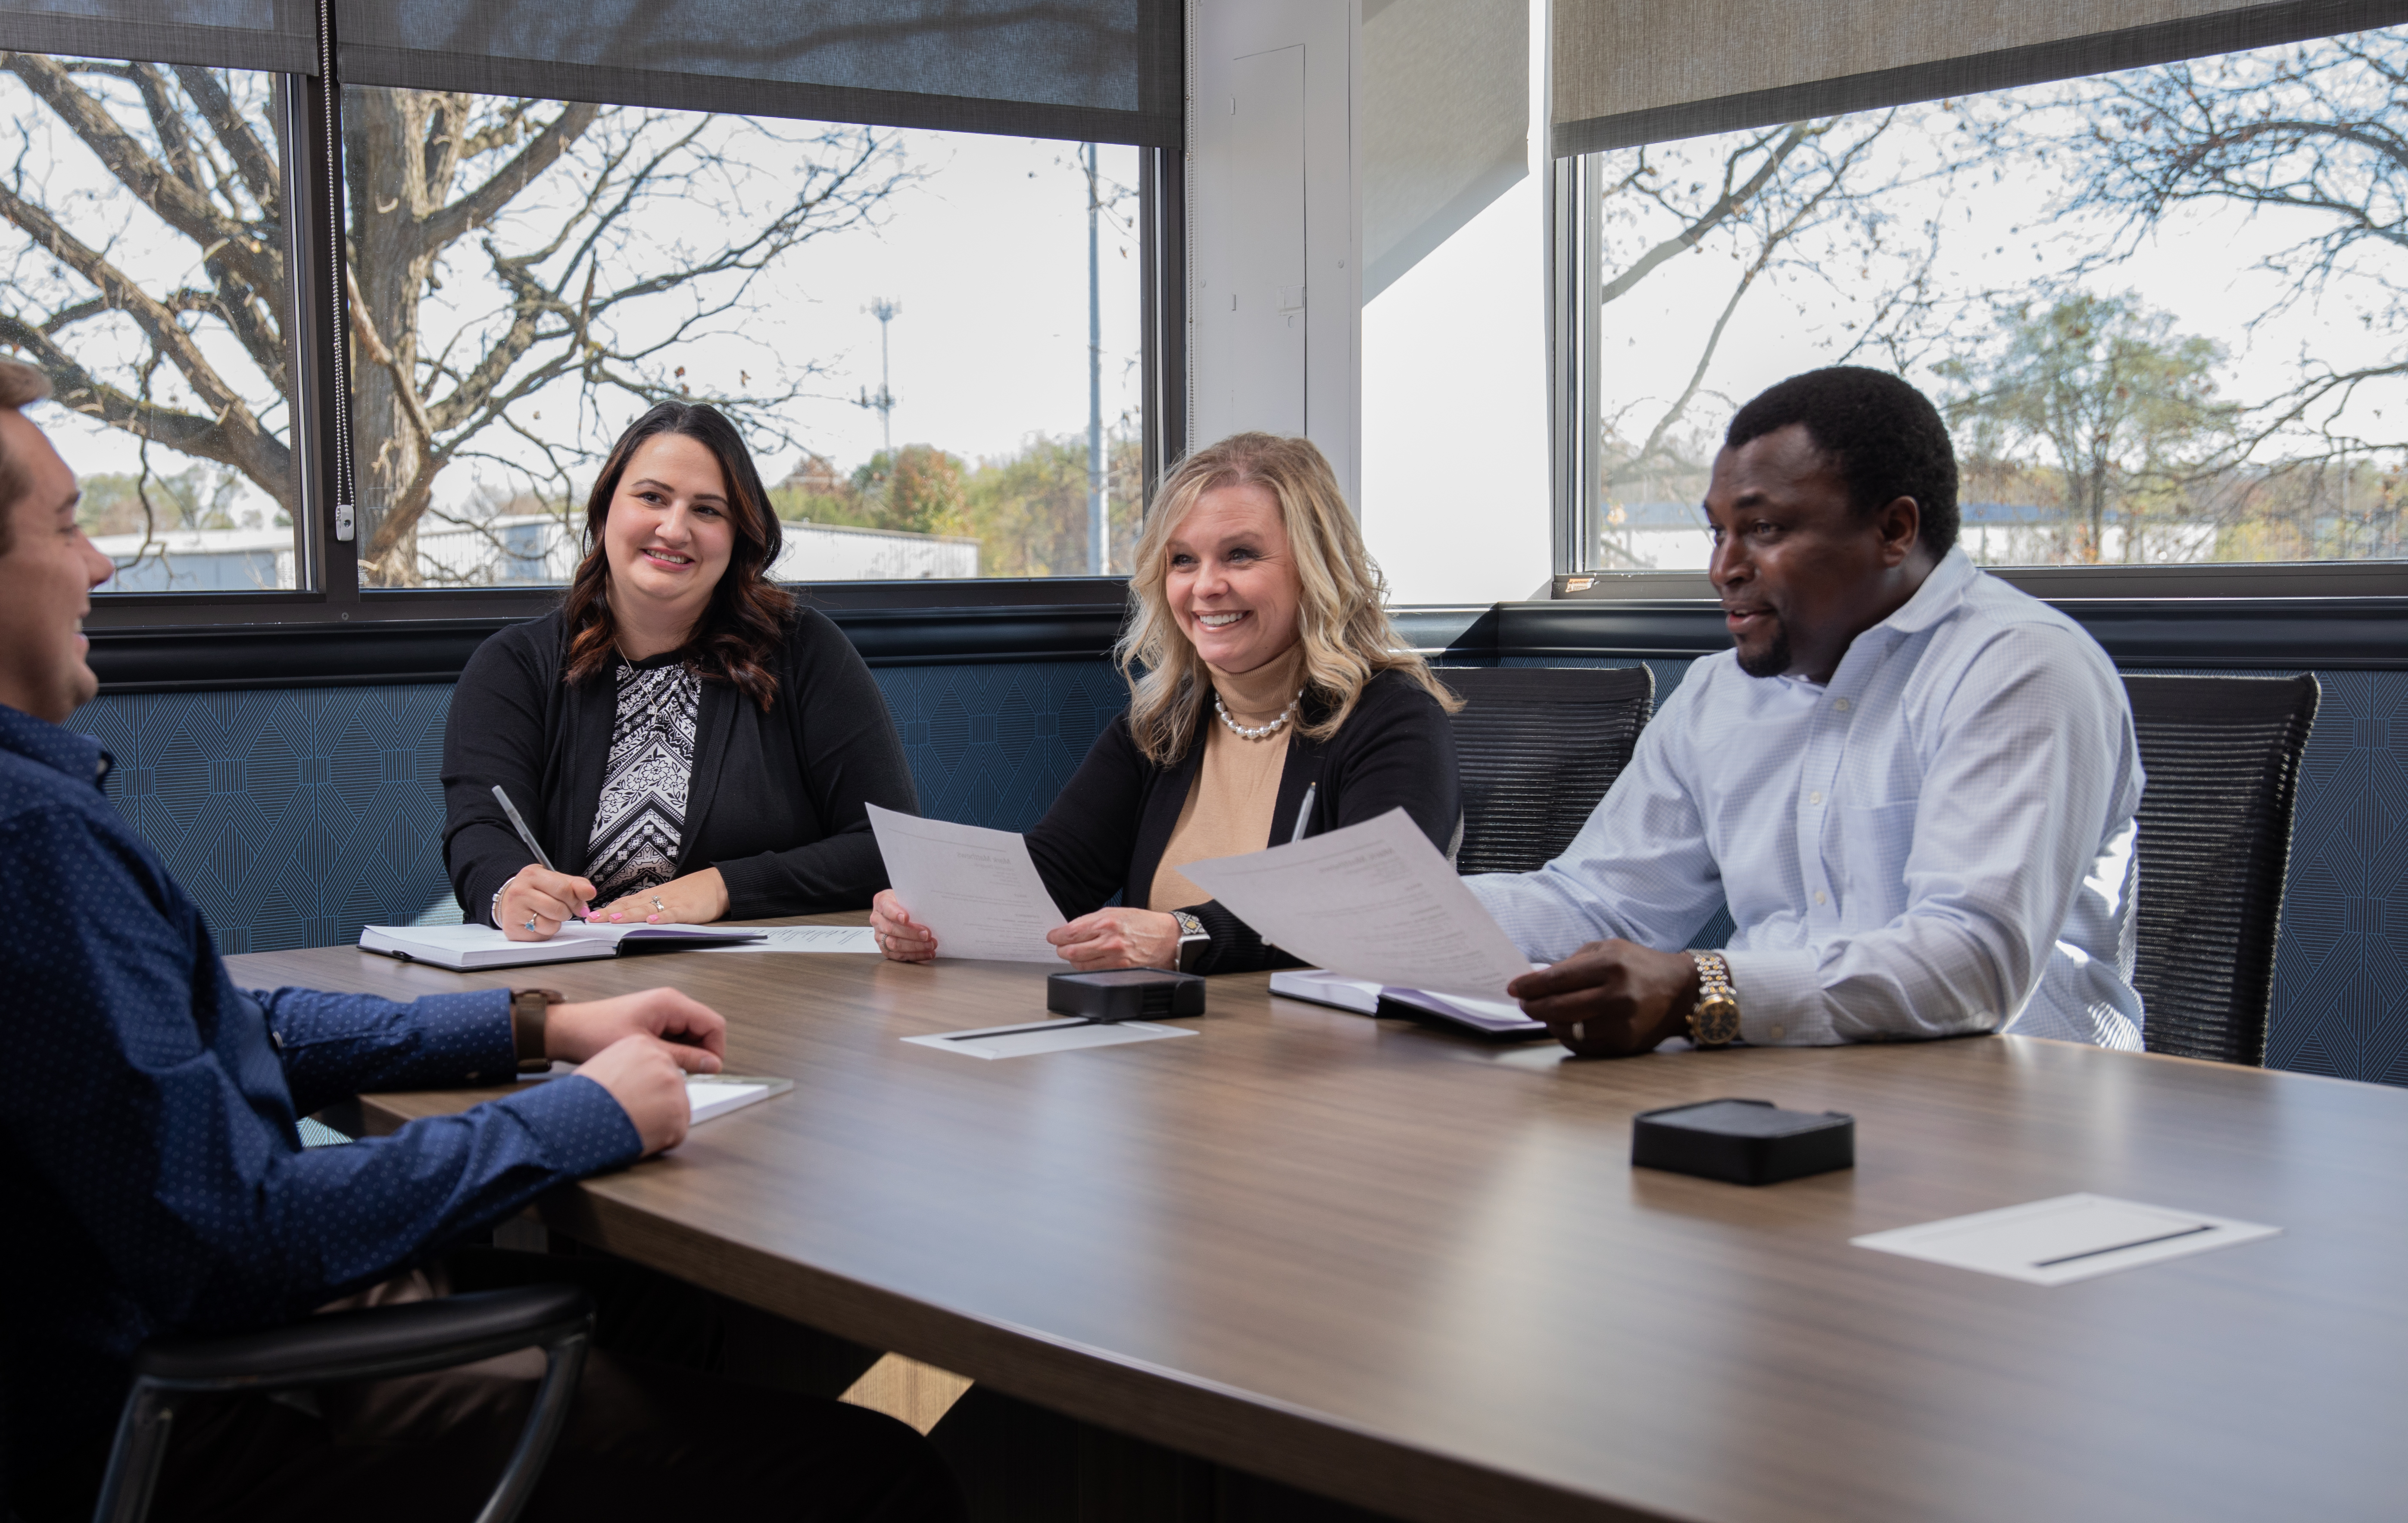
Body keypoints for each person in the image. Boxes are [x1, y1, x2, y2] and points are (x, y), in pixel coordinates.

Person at [0, 341, 969, 1523]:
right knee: (882, 1498)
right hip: (231, 1417)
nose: (103, 555)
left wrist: (533, 1023)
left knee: (663, 1326)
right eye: (65, 519)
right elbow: (239, 1236)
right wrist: (590, 1111)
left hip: (147, 1392)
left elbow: (208, 1018)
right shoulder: (9, 839)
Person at [1474, 366, 2143, 1055]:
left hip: (2017, 1110)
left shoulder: (2020, 666)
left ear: (1894, 529)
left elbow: (1971, 964)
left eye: (1763, 528)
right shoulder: (1718, 693)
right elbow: (1600, 905)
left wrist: (1703, 990)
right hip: (1769, 1087)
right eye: (1718, 533)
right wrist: (1392, 910)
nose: (1724, 569)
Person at [872, 431, 1460, 973]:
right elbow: (1055, 875)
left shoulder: (1391, 718)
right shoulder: (1164, 722)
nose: (1205, 586)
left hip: (1320, 1060)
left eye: (1241, 555)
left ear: (1314, 569)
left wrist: (1185, 936)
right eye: (1183, 560)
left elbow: (1371, 904)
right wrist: (928, 909)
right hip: (1166, 1054)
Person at [444, 402, 917, 937]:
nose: (674, 529)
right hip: (574, 982)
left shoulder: (804, 651)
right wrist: (509, 889)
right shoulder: (514, 666)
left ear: (739, 535)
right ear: (604, 512)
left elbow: (889, 845)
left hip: (768, 988)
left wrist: (723, 887)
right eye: (652, 497)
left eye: (708, 510)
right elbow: (479, 832)